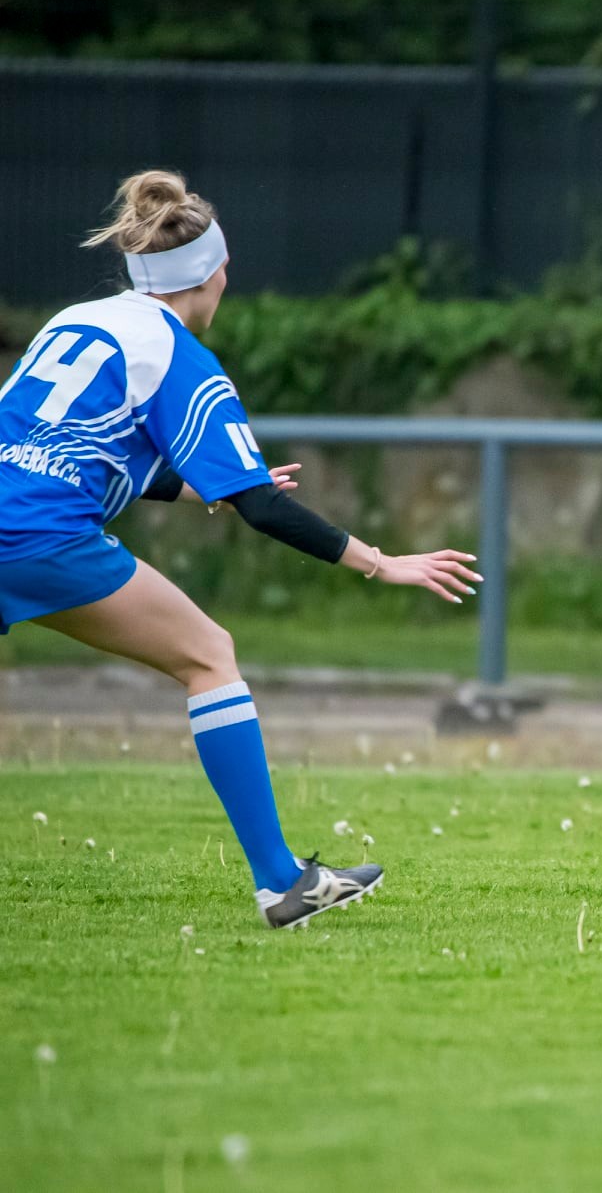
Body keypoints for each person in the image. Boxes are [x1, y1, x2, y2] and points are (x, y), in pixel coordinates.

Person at [0, 170, 484, 928]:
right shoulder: (182, 357)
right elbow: (260, 506)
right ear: (212, 273)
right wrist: (382, 562)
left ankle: (284, 878)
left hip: (18, 514)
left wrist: (197, 488)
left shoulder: (75, 320)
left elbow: (58, 446)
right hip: (42, 537)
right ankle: (280, 881)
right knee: (208, 656)